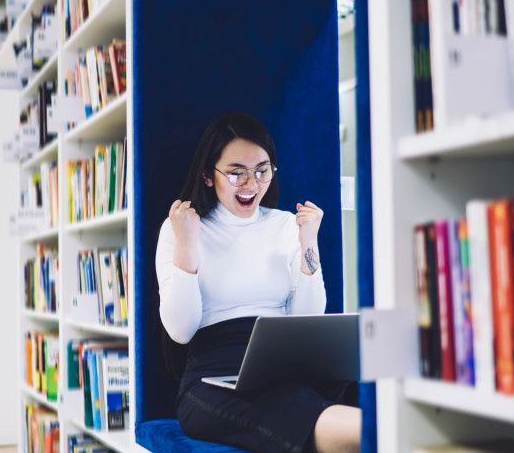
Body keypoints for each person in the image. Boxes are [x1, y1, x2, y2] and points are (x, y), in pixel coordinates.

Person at [155, 113, 361, 453]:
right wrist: (187, 246)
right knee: (291, 406)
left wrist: (309, 242)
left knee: (359, 387)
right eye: (237, 173)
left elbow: (306, 317)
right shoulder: (180, 229)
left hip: (285, 361)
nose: (251, 184)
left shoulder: (285, 225)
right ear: (208, 175)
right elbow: (181, 330)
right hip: (213, 374)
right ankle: (381, 433)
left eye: (262, 171)